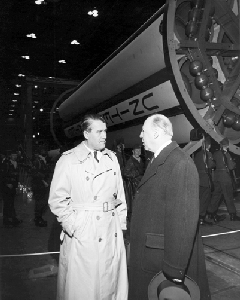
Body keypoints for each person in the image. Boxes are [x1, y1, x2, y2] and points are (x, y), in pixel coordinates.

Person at [129, 114, 211, 300]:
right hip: (152, 254)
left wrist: (174, 271)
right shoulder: (161, 159)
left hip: (163, 262)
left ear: (157, 132)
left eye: (144, 131)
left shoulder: (180, 163)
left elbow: (183, 220)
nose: (140, 136)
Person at [48, 114, 128, 300]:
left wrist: (121, 224)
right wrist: (74, 226)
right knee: (84, 289)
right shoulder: (68, 160)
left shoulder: (112, 158)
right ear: (86, 133)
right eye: (99, 131)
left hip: (111, 230)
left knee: (111, 284)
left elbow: (120, 195)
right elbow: (57, 199)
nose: (104, 136)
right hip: (84, 233)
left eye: (105, 131)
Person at [194, 136, 225, 225]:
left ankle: (198, 217)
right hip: (206, 180)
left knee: (200, 199)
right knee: (205, 200)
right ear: (209, 145)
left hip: (199, 179)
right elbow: (211, 165)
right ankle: (201, 219)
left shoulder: (198, 154)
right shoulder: (208, 154)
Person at [207, 138, 240, 221]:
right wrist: (234, 163)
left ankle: (210, 212)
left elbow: (213, 164)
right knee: (228, 196)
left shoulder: (215, 153)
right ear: (227, 145)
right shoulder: (226, 154)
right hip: (225, 178)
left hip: (217, 177)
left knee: (216, 195)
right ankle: (233, 214)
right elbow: (231, 166)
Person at [1, 149, 22, 227]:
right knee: (7, 203)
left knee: (11, 203)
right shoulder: (6, 163)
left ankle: (13, 218)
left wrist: (17, 183)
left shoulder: (16, 163)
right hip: (6, 187)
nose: (15, 156)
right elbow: (3, 175)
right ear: (10, 156)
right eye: (13, 155)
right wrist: (7, 183)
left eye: (16, 155)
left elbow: (16, 175)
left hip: (13, 186)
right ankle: (6, 220)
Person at [123, 144, 145, 219]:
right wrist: (137, 173)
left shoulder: (140, 159)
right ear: (133, 151)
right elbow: (126, 173)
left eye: (139, 151)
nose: (138, 152)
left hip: (140, 183)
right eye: (137, 151)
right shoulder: (130, 161)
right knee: (134, 201)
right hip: (133, 185)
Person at [31, 145, 51, 227]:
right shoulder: (37, 161)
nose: (45, 152)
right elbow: (35, 173)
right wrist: (43, 180)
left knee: (42, 203)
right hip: (38, 185)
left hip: (42, 184)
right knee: (39, 202)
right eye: (43, 150)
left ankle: (39, 218)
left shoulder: (43, 160)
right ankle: (38, 219)